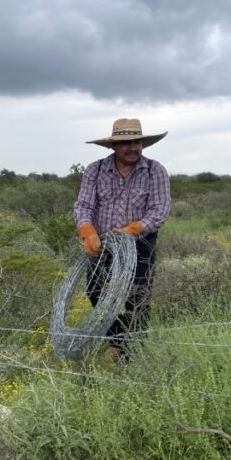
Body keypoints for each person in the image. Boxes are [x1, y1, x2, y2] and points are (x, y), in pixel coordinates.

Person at [73, 118, 171, 360]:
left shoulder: (154, 170)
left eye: (136, 141)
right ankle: (120, 339)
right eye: (126, 143)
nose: (133, 147)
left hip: (141, 244)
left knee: (138, 297)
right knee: (96, 291)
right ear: (113, 146)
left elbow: (160, 210)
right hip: (103, 243)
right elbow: (84, 204)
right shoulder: (95, 170)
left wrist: (134, 229)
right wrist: (87, 230)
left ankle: (131, 353)